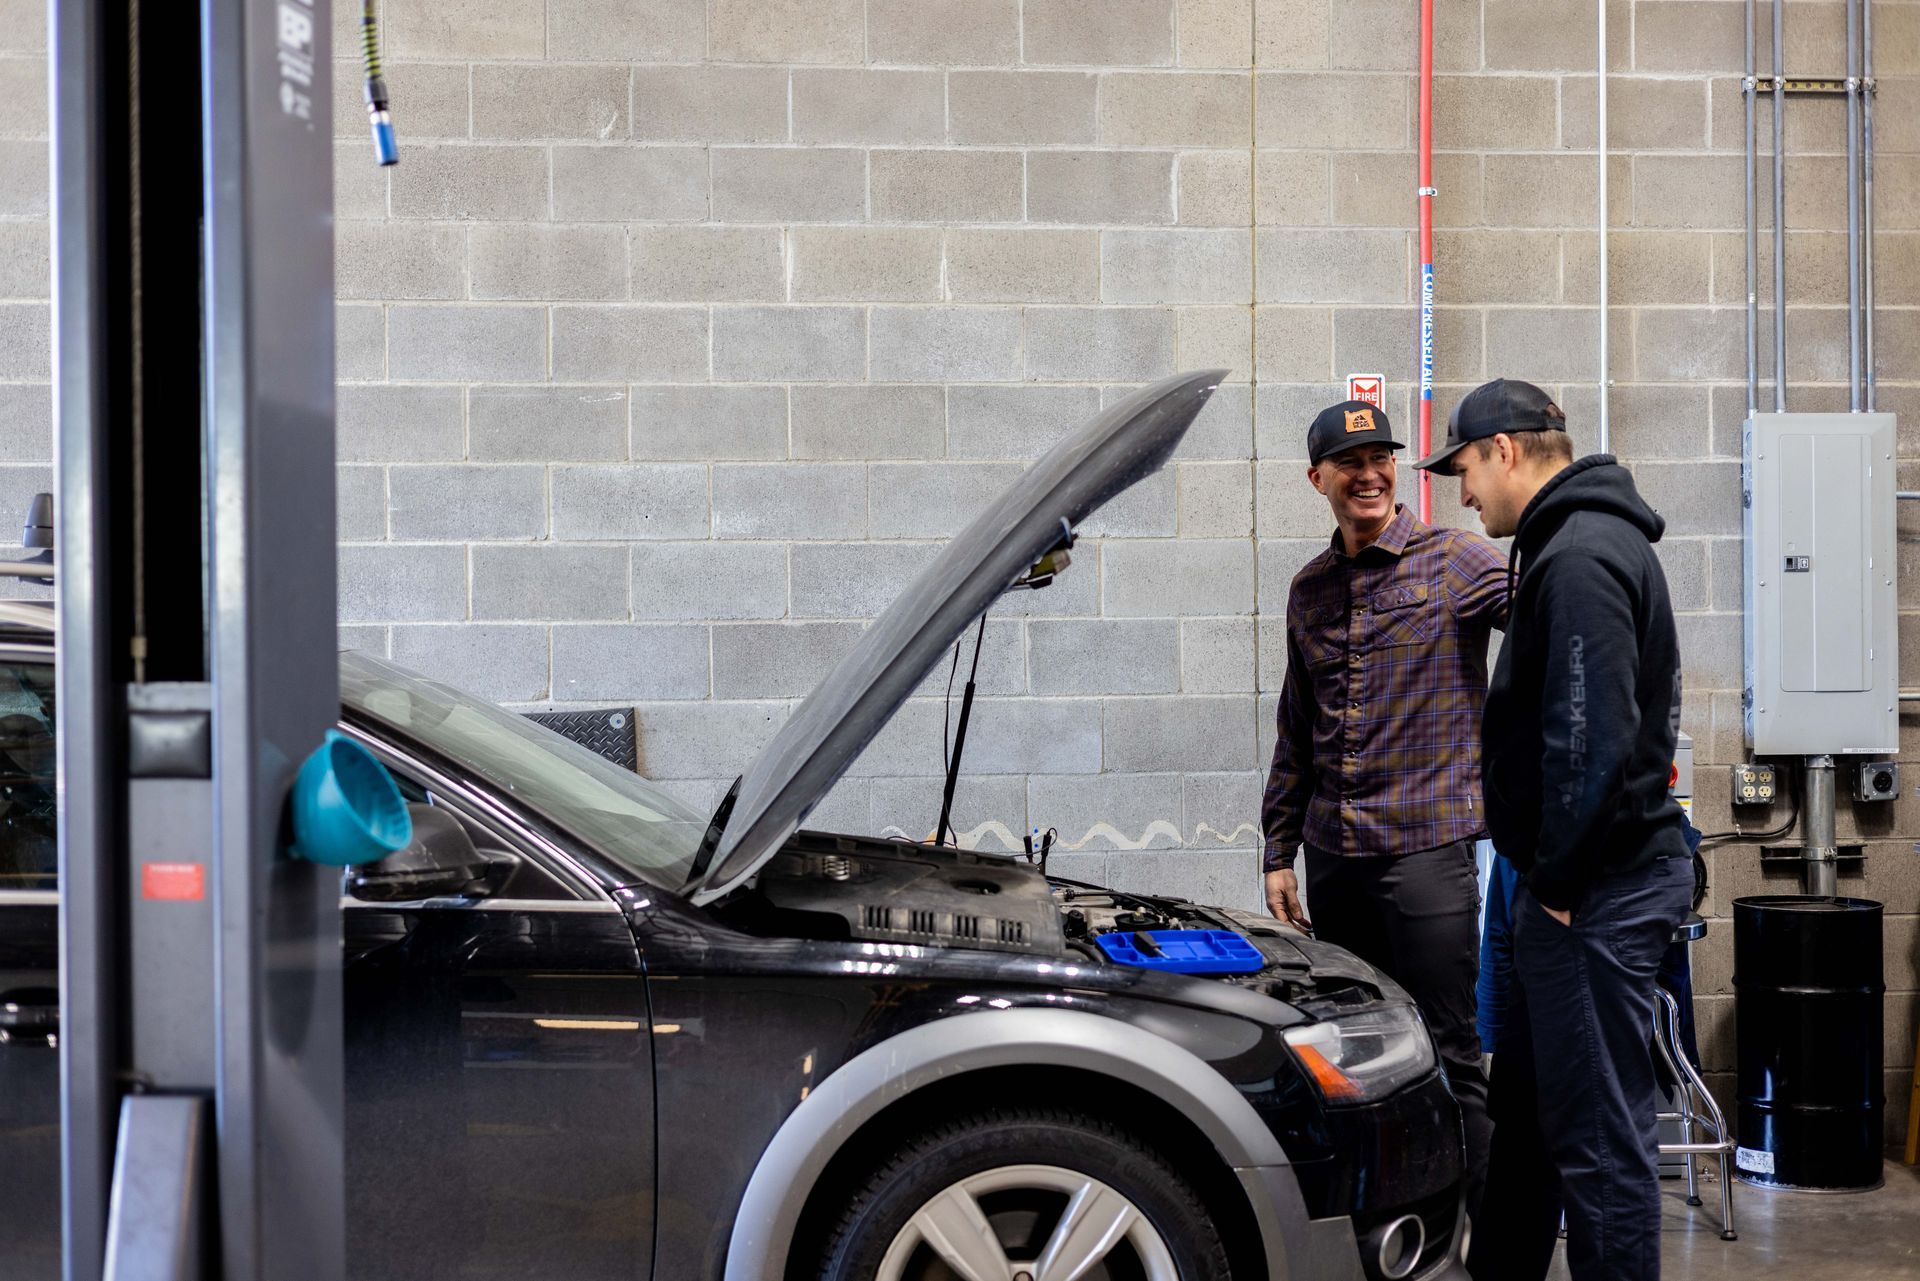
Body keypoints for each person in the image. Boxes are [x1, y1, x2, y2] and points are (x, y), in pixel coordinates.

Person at [1415, 379, 1694, 1281]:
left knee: (1600, 1150)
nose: (1462, 494)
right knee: (1531, 1129)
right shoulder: (1566, 546)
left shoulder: (1578, 556)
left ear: (1503, 450)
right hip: (1569, 891)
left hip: (1595, 896)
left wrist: (1564, 886)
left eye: (1462, 469)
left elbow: (1591, 736)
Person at [1261, 399, 1508, 1215]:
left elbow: (1554, 616)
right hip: (1336, 859)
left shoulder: (1453, 561)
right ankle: (1387, 1227)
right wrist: (1277, 849)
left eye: (1381, 458)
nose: (1369, 474)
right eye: (1350, 462)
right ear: (1318, 478)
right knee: (1360, 1054)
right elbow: (1297, 726)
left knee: (1448, 1049)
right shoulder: (1310, 590)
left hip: (1427, 855)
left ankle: (1485, 1249)